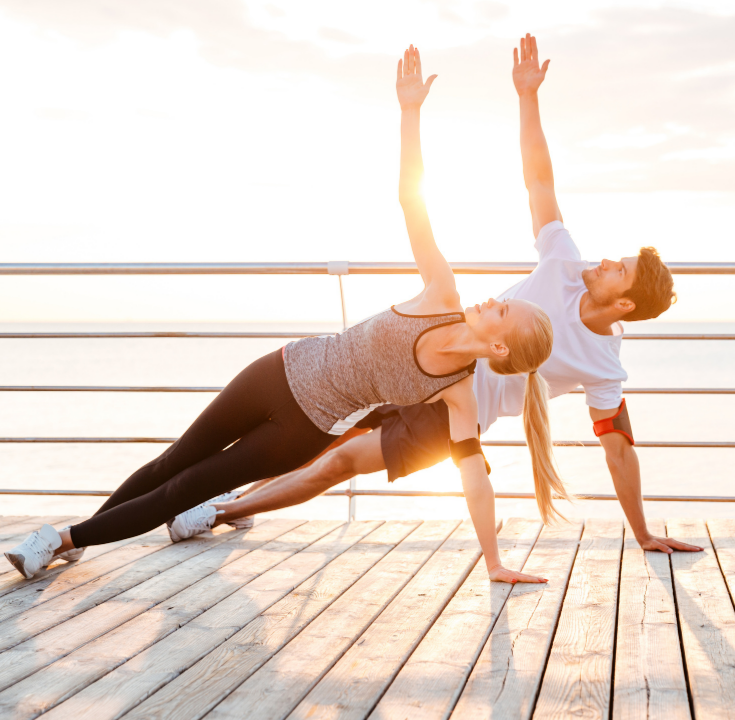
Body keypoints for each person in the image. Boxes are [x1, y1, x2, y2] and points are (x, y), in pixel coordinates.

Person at [6, 45, 565, 584]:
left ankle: (61, 540)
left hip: (302, 429)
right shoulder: (442, 293)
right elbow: (411, 202)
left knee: (184, 490)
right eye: (503, 297)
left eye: (504, 311)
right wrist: (410, 111)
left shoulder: (458, 394)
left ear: (499, 348)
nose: (494, 298)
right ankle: (79, 539)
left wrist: (493, 562)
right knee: (172, 461)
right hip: (278, 370)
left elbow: (474, 480)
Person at [185, 34, 702, 557]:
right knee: (322, 436)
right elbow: (539, 181)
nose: (608, 261)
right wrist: (527, 96)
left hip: (456, 412)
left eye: (621, 270)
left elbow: (618, 451)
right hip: (425, 357)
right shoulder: (566, 261)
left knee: (339, 464)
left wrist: (642, 533)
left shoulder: (605, 365)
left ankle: (217, 511)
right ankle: (221, 498)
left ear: (626, 305)